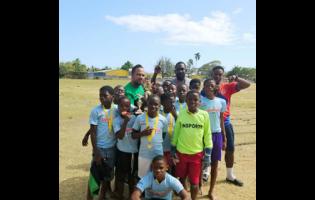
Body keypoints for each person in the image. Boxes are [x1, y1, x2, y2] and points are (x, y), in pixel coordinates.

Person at [211, 65, 251, 187]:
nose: (217, 76)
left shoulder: (227, 87)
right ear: (212, 75)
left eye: (220, 74)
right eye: (215, 74)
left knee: (230, 148)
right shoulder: (208, 87)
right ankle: (206, 172)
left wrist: (237, 78)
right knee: (208, 148)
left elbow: (247, 85)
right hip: (211, 123)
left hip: (225, 122)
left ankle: (229, 175)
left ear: (222, 75)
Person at [171, 91, 212, 200]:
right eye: (190, 99)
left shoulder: (204, 115)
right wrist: (173, 149)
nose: (192, 102)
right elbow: (176, 132)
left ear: (199, 102)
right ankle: (184, 197)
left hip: (197, 154)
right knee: (182, 177)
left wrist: (208, 154)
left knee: (194, 182)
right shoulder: (182, 113)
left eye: (195, 100)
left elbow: (207, 134)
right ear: (186, 101)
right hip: (181, 153)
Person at [86, 85, 116, 200]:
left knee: (106, 177)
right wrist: (96, 151)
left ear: (112, 97)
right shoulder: (96, 111)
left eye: (105, 96)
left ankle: (102, 197)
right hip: (100, 149)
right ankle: (90, 197)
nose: (102, 98)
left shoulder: (117, 109)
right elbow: (93, 132)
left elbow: (129, 108)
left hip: (112, 149)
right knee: (95, 176)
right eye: (100, 96)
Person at [199, 78, 227, 200]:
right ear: (204, 87)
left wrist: (224, 138)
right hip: (202, 135)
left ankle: (211, 191)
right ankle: (199, 185)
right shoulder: (200, 101)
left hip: (216, 135)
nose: (210, 87)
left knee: (214, 164)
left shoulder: (221, 101)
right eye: (207, 85)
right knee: (200, 163)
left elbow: (222, 120)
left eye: (212, 85)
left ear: (216, 87)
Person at [131, 95, 168, 178]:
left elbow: (163, 135)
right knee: (143, 177)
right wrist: (142, 134)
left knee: (158, 176)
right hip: (144, 154)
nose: (153, 106)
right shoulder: (140, 118)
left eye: (156, 104)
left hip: (157, 153)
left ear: (160, 106)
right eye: (151, 103)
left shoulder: (163, 120)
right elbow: (133, 135)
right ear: (147, 103)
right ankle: (144, 191)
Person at [112, 96, 139, 199]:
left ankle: (132, 196)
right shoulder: (116, 120)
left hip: (133, 152)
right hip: (122, 152)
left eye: (127, 106)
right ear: (118, 107)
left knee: (132, 176)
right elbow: (120, 136)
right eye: (121, 106)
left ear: (130, 107)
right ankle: (120, 195)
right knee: (120, 176)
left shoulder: (135, 118)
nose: (124, 108)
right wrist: (125, 122)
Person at [160, 93, 177, 175]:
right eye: (169, 102)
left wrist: (176, 116)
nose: (171, 104)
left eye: (172, 102)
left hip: (171, 147)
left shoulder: (175, 114)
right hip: (160, 147)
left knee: (170, 168)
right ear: (162, 103)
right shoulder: (158, 113)